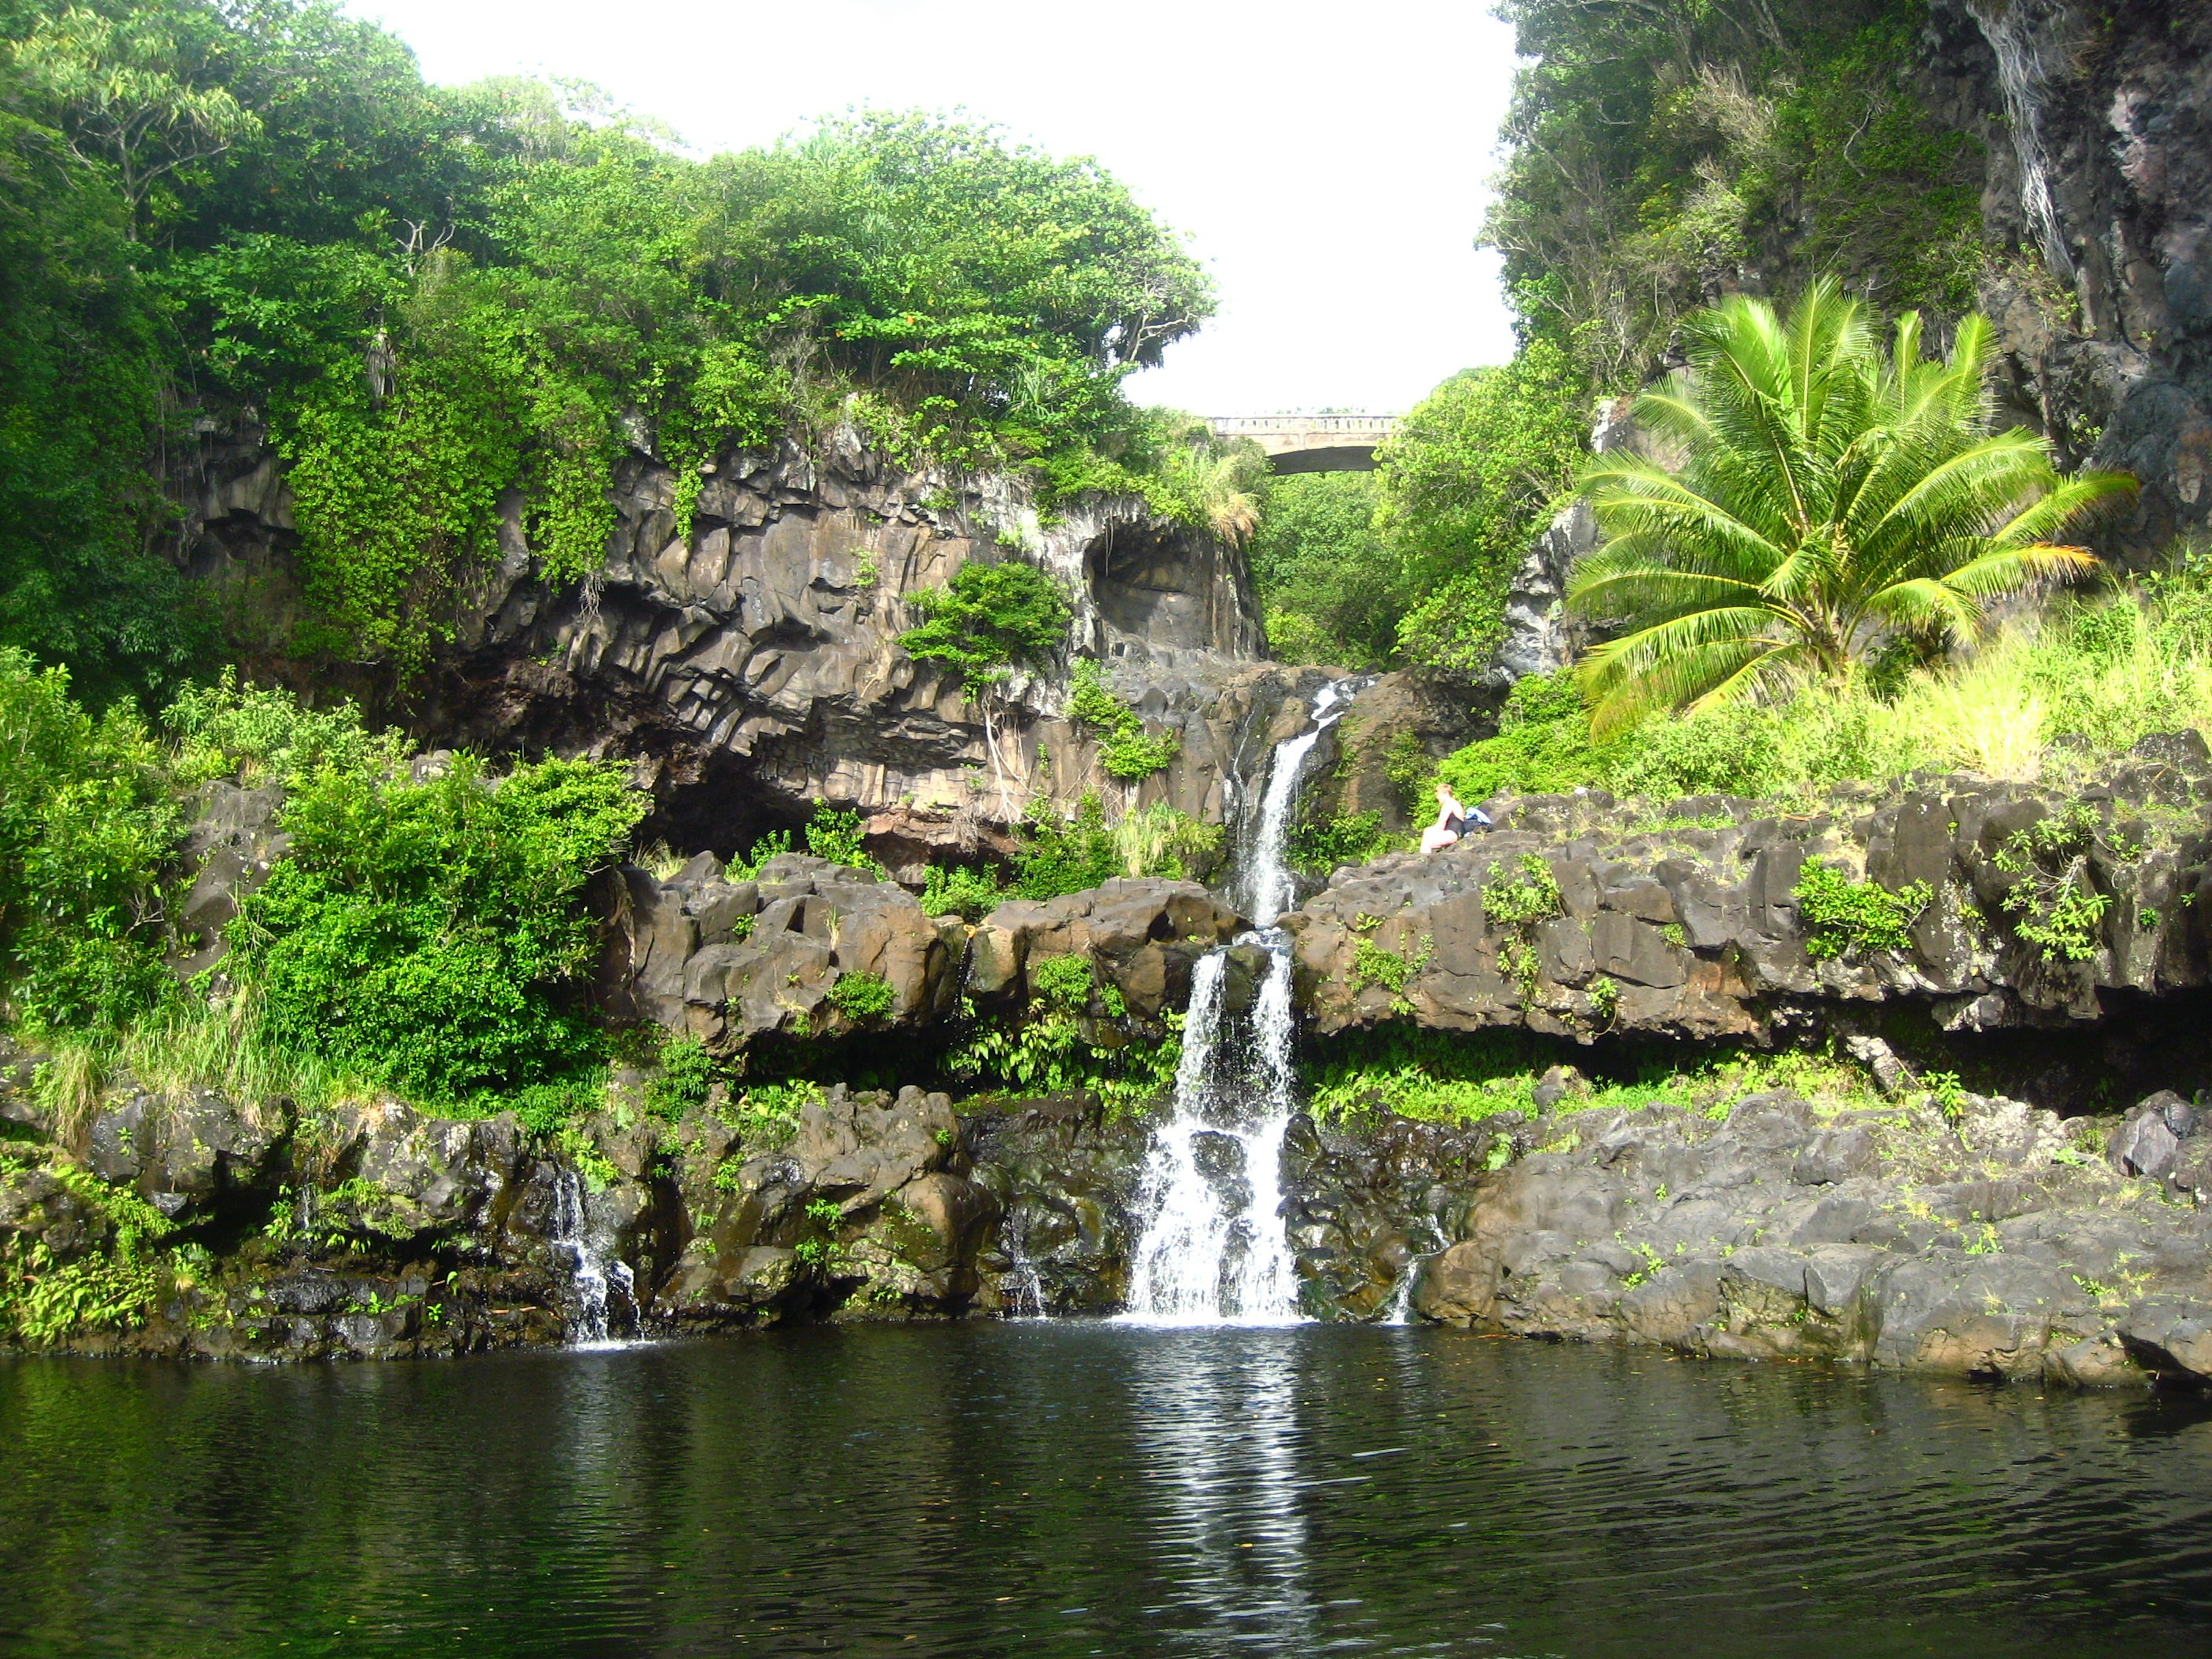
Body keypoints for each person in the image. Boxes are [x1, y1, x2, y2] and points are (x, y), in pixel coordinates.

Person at [1419, 781, 1488, 854]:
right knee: (1428, 833)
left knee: (1427, 842)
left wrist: (1428, 831)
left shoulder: (1448, 804)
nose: (1437, 798)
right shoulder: (1455, 803)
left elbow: (1441, 825)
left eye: (1439, 795)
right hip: (1457, 833)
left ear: (1445, 794)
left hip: (1452, 834)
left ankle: (1424, 860)